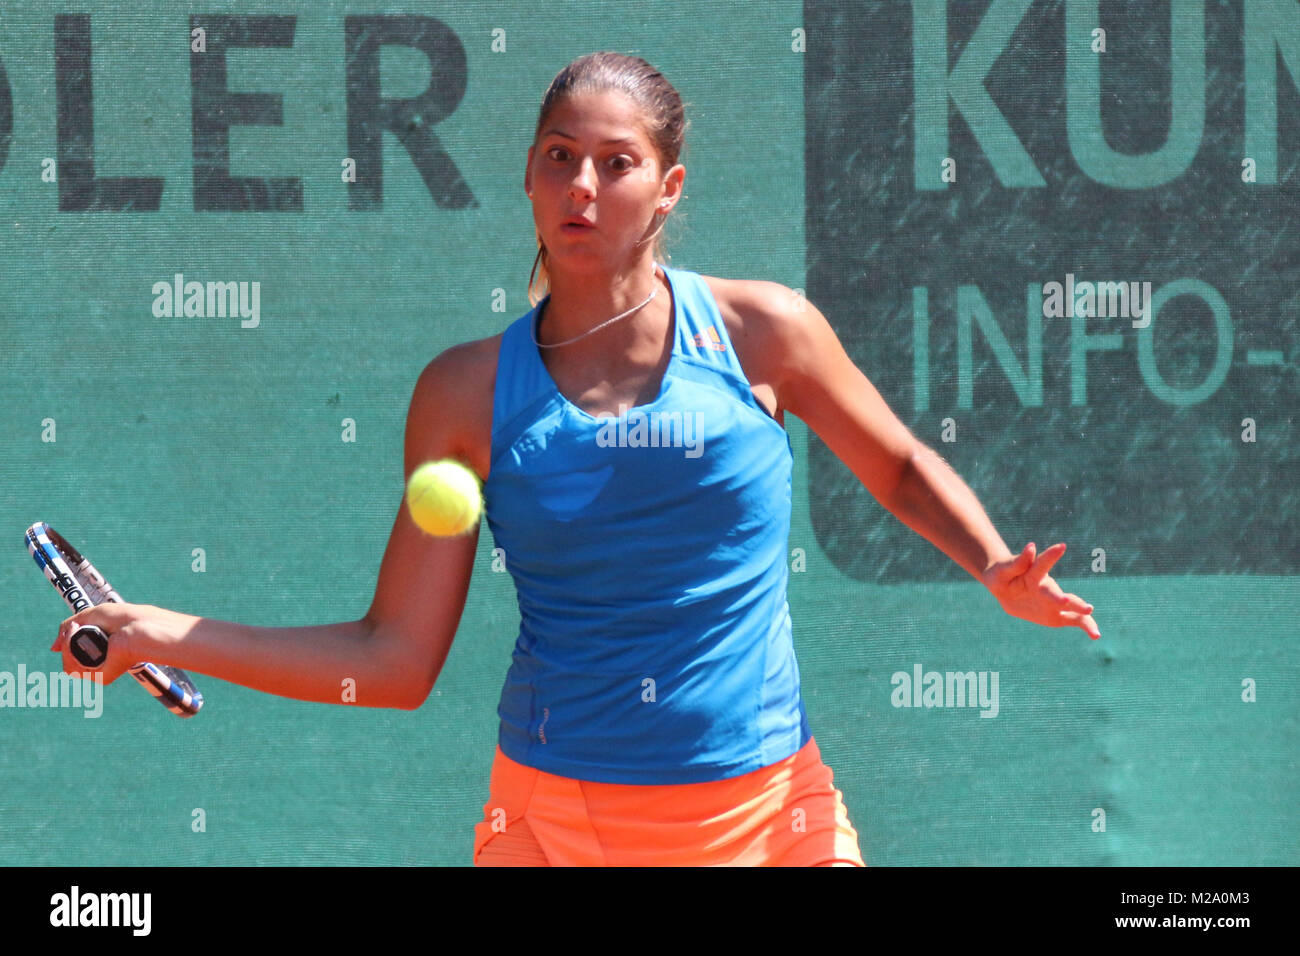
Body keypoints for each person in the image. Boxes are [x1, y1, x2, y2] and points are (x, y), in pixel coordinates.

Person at [52, 52, 1100, 867]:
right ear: (527, 174)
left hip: (776, 811)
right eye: (559, 155)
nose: (582, 185)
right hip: (554, 824)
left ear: (668, 185)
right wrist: (158, 631)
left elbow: (900, 463)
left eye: (616, 160)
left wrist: (990, 561)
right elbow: (392, 658)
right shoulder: (464, 393)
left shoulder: (764, 334)